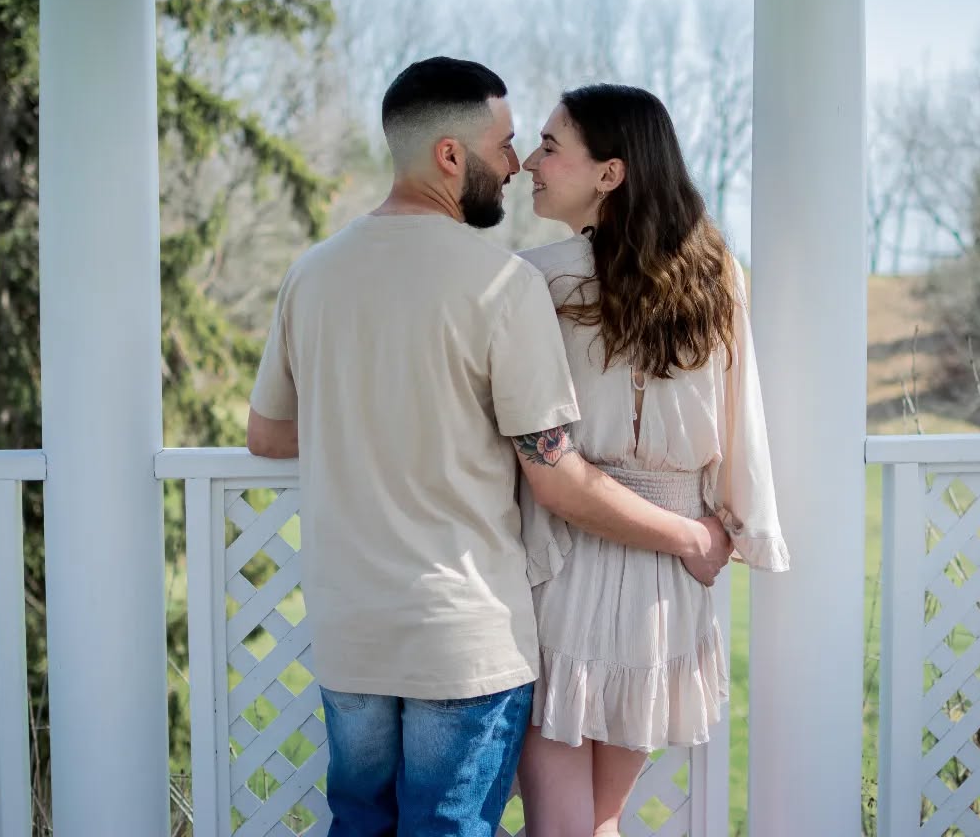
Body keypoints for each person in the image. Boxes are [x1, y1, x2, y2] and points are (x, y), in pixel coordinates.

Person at [245, 57, 734, 837]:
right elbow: (557, 477)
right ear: (450, 155)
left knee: (359, 822)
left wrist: (371, 413)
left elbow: (267, 434)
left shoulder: (311, 274)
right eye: (508, 145)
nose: (517, 165)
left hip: (348, 627)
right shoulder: (502, 284)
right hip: (463, 636)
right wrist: (688, 535)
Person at [515, 84, 791, 837]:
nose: (528, 164)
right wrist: (734, 527)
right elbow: (744, 416)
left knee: (561, 822)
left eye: (549, 147)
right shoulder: (718, 275)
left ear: (609, 172)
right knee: (599, 821)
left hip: (570, 556)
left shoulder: (534, 278)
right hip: (672, 573)